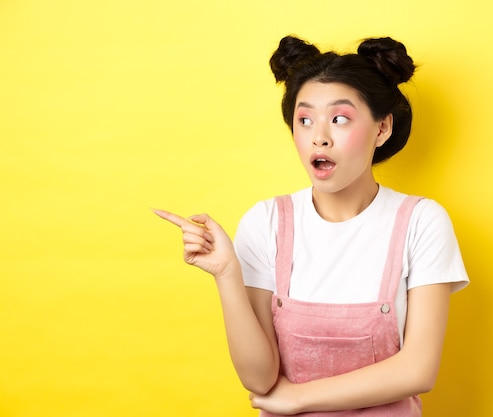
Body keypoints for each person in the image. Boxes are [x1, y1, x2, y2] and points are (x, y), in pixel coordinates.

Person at [154, 35, 469, 416]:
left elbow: (418, 371)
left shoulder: (421, 221)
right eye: (304, 120)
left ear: (382, 128)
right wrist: (226, 273)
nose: (319, 137)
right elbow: (260, 378)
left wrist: (299, 398)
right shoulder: (267, 221)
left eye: (339, 119)